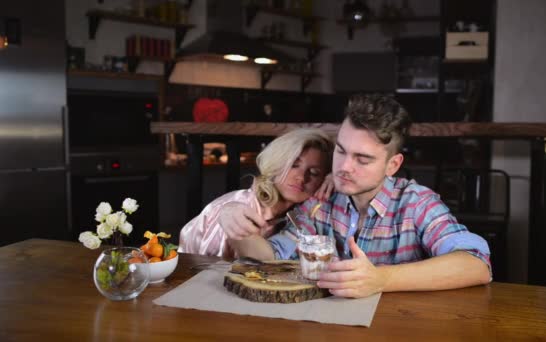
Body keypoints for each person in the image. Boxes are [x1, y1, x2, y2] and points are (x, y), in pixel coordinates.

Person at [223, 94, 492, 298]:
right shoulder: (322, 201)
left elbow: (476, 264)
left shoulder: (416, 203)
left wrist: (381, 279)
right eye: (341, 151)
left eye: (362, 159)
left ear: (392, 165)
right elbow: (271, 255)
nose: (344, 168)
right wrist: (237, 227)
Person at [178, 128, 334, 258]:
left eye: (314, 173)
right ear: (277, 163)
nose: (301, 177)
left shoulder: (304, 215)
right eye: (294, 165)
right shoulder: (237, 210)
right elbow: (206, 269)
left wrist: (337, 179)